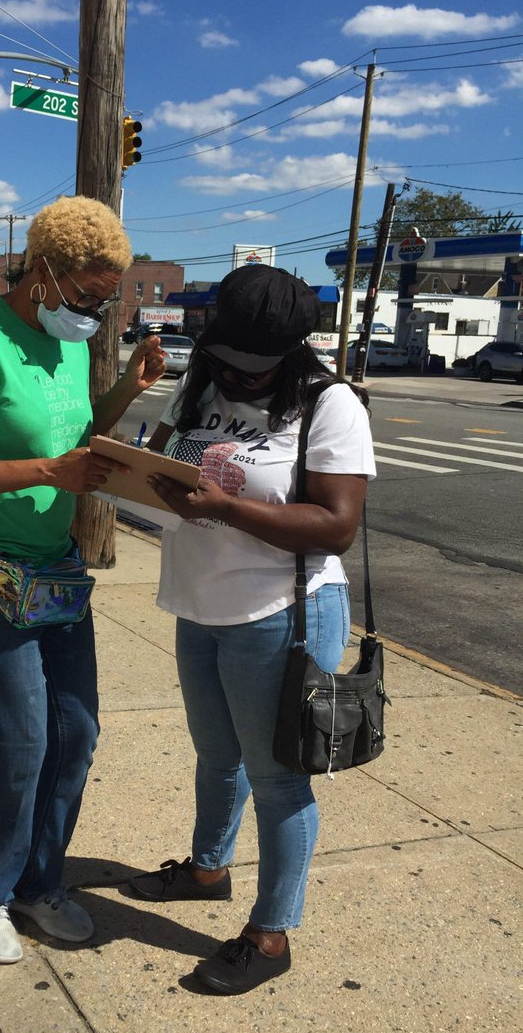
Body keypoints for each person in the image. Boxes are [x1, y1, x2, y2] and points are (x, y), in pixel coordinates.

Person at [0, 195, 165, 965]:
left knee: (76, 732)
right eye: (86, 295)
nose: (93, 313)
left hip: (54, 565)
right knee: (22, 739)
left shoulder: (69, 344)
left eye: (105, 301)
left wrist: (128, 391)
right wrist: (49, 472)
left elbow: (75, 438)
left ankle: (38, 883)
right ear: (43, 272)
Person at [128, 265, 376, 995]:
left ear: (292, 351)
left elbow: (336, 525)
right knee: (215, 757)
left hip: (281, 613)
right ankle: (208, 871)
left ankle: (271, 936)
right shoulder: (197, 384)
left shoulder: (329, 404)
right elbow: (159, 463)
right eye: (228, 358)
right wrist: (135, 476)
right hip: (200, 603)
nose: (237, 375)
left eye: (254, 366)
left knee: (277, 780)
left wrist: (224, 508)